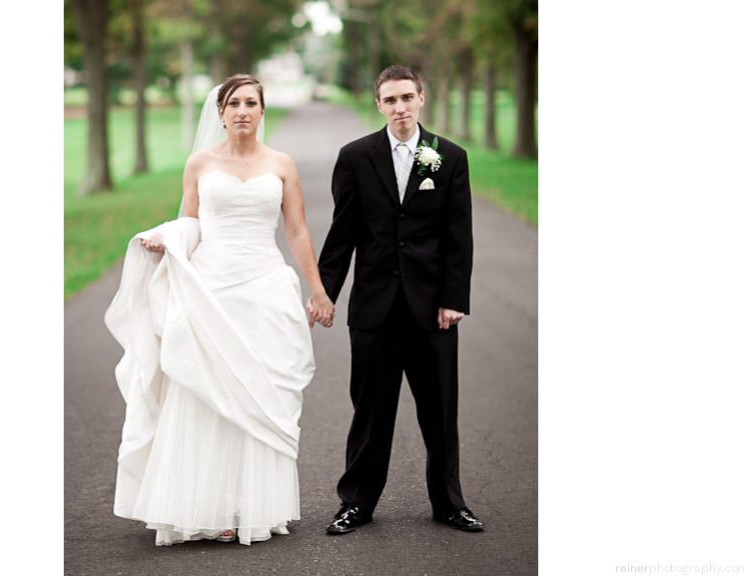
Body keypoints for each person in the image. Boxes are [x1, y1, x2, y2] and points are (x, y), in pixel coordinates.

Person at [104, 74, 335, 546]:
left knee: (259, 393)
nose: (243, 111)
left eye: (252, 102)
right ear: (221, 112)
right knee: (207, 396)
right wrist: (165, 237)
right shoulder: (200, 163)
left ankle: (253, 507)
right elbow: (190, 222)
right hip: (212, 290)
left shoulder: (281, 164)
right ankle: (205, 507)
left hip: (265, 289)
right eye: (234, 103)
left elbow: (296, 232)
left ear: (263, 110)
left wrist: (318, 291)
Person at [315, 64, 483, 534]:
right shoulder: (355, 156)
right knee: (370, 412)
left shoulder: (449, 157)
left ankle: (450, 503)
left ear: (421, 99)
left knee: (440, 412)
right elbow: (342, 233)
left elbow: (458, 237)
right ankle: (356, 504)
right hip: (374, 309)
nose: (400, 107)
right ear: (379, 105)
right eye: (390, 100)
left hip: (434, 311)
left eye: (407, 97)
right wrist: (325, 294)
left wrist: (454, 299)